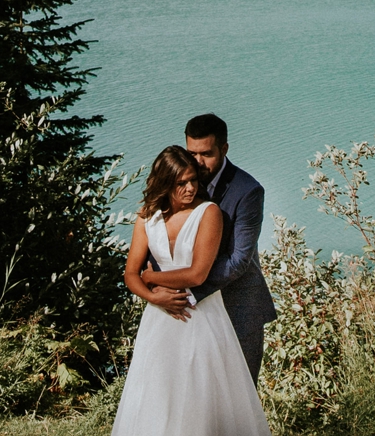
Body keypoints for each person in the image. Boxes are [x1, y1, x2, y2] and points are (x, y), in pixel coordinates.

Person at [111, 145, 271, 436]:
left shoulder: (208, 213)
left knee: (202, 396)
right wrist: (152, 295)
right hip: (159, 318)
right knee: (157, 395)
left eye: (193, 181)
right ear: (164, 184)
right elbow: (129, 274)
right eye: (180, 183)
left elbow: (198, 274)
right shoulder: (147, 216)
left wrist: (151, 278)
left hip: (202, 317)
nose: (189, 188)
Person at [183, 113, 278, 384]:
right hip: (194, 311)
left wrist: (187, 288)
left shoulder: (248, 191)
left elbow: (239, 261)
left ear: (224, 149)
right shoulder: (182, 186)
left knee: (240, 397)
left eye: (206, 154)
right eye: (192, 153)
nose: (198, 162)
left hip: (239, 309)